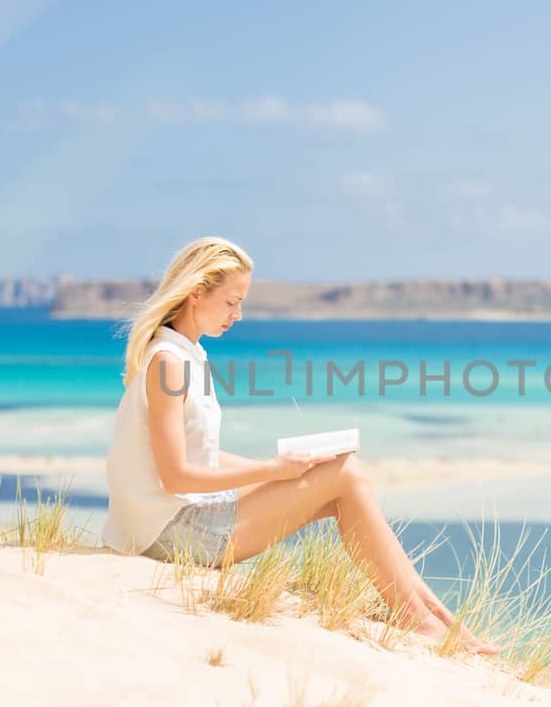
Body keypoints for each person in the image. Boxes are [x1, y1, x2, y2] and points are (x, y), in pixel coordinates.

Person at [103, 236, 496, 654]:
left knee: (336, 481)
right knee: (344, 475)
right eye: (232, 302)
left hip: (168, 521)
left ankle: (432, 615)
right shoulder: (169, 361)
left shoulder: (185, 354)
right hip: (169, 535)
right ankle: (421, 619)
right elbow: (176, 474)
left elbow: (201, 453)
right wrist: (273, 472)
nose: (238, 315)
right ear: (196, 294)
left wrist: (284, 466)